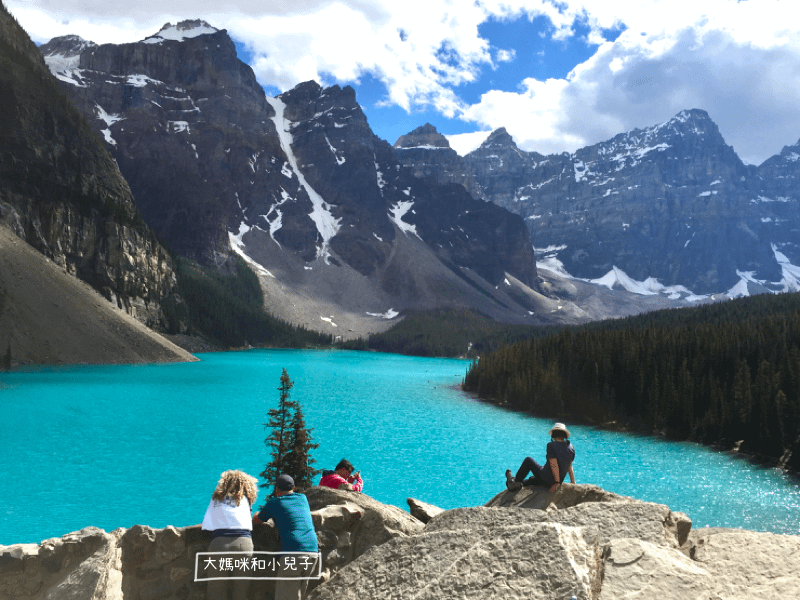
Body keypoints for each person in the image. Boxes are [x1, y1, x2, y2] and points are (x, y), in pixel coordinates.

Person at [253, 474, 320, 600]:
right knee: (299, 595)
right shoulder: (302, 498)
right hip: (313, 552)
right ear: (293, 488)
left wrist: (256, 514)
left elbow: (257, 520)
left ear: (277, 490)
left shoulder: (275, 503)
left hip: (294, 552)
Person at [201, 469, 258, 600]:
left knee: (216, 591)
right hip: (244, 544)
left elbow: (207, 525)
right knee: (241, 591)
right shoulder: (245, 500)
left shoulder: (217, 498)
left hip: (219, 544)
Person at [506, 422, 576, 493]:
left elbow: (554, 464)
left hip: (549, 478)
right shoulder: (571, 447)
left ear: (553, 435)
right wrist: (573, 482)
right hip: (554, 479)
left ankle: (515, 481)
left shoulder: (551, 445)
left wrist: (557, 483)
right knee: (532, 480)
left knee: (528, 460)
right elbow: (569, 466)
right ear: (564, 435)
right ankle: (517, 482)